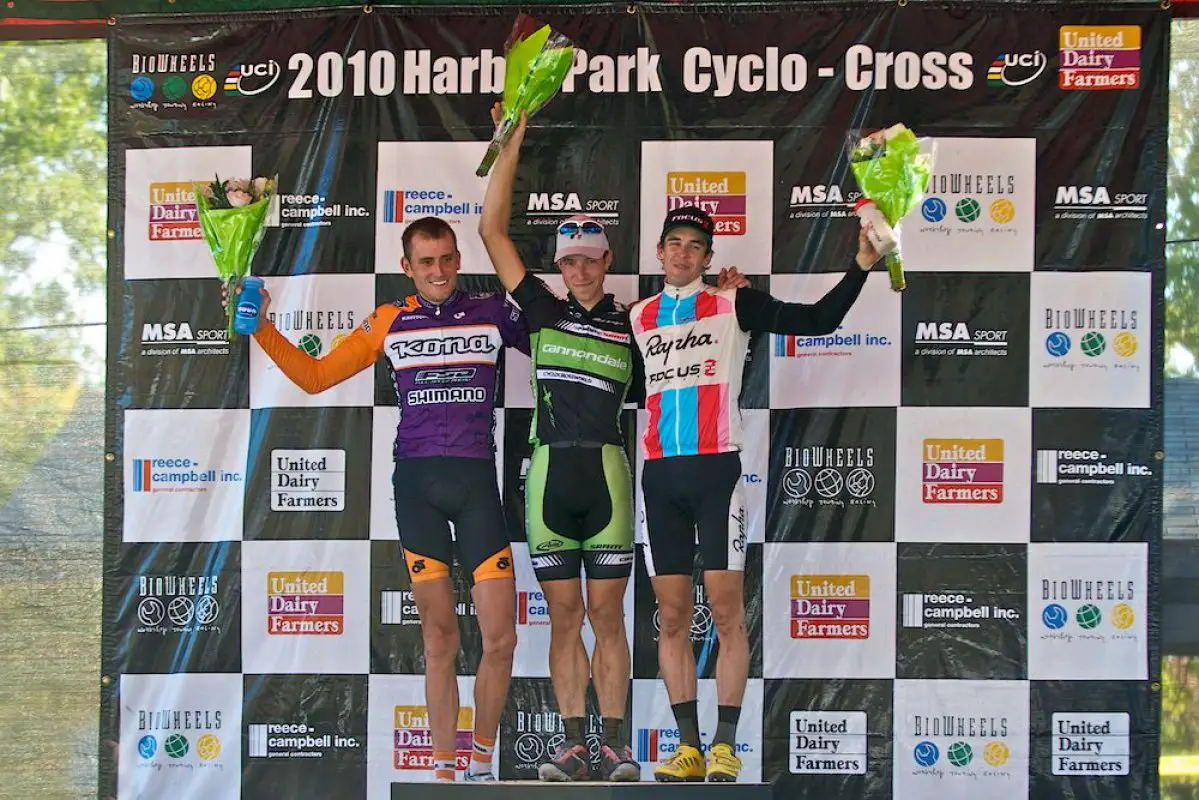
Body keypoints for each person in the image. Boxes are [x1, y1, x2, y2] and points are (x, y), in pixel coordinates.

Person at [476, 105, 748, 783]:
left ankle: (619, 746)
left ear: (607, 261)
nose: (577, 269)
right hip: (546, 476)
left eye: (589, 258)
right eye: (566, 258)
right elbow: (489, 231)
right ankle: (574, 745)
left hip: (610, 473)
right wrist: (508, 138)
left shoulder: (636, 324)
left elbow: (698, 332)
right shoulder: (538, 309)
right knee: (563, 615)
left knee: (607, 614)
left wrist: (726, 294)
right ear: (558, 263)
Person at [233, 216, 528, 783]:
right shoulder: (389, 321)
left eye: (446, 259)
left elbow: (552, 333)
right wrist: (262, 327)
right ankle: (445, 775)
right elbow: (317, 377)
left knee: (502, 638)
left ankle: (482, 766)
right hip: (417, 488)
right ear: (407, 267)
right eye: (426, 262)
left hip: (476, 489)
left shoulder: (493, 311)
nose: (438, 271)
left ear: (458, 258)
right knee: (439, 638)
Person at [631, 206, 880, 783]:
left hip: (717, 471)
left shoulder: (733, 303)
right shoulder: (638, 316)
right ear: (661, 251)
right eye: (674, 243)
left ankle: (724, 744)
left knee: (725, 612)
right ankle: (686, 748)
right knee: (670, 618)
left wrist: (861, 265)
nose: (684, 253)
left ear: (709, 258)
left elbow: (818, 321)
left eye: (696, 245)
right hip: (659, 477)